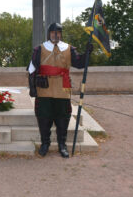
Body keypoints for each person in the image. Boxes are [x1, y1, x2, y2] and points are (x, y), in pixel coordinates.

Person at [27, 23, 93, 158]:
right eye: (53, 33)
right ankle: (45, 144)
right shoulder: (39, 49)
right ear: (49, 34)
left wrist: (87, 53)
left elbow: (80, 64)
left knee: (62, 117)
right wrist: (33, 89)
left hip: (63, 88)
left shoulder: (69, 49)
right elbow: (31, 69)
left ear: (61, 34)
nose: (55, 35)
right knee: (44, 117)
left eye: (58, 33)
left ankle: (62, 145)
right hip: (44, 88)